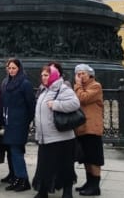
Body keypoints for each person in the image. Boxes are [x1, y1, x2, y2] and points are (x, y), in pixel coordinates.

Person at [32, 65, 80, 198]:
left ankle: (67, 191)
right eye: (42, 75)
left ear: (53, 75)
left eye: (46, 75)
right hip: (45, 137)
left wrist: (56, 104)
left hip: (61, 137)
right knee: (44, 166)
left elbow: (75, 103)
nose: (43, 78)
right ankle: (43, 191)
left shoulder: (63, 88)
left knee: (64, 166)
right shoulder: (44, 90)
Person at [0, 58, 35, 192]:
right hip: (8, 121)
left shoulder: (25, 83)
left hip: (19, 122)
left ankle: (23, 179)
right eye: (9, 68)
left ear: (19, 68)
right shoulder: (6, 82)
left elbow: (30, 104)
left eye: (14, 68)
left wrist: (26, 120)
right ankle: (16, 177)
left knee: (16, 151)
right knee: (12, 152)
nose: (11, 70)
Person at [74, 64, 104, 196]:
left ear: (90, 74)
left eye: (83, 74)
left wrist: (77, 85)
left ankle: (95, 186)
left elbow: (83, 98)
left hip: (92, 128)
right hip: (82, 128)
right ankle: (89, 182)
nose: (81, 76)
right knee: (86, 157)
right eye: (78, 74)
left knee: (94, 159)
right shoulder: (81, 87)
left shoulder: (95, 86)